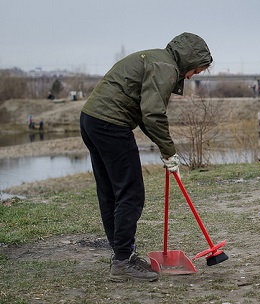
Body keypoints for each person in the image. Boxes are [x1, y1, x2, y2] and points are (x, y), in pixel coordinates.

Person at [79, 32, 213, 282]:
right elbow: (152, 113)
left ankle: (123, 255)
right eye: (196, 70)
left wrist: (163, 147)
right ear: (190, 60)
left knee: (111, 192)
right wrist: (169, 151)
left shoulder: (156, 58)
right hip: (112, 124)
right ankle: (121, 261)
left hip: (91, 120)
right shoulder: (166, 67)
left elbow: (143, 112)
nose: (192, 76)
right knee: (131, 193)